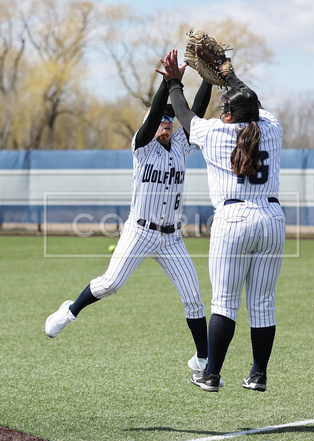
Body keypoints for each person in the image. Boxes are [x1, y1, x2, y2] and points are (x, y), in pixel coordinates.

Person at [45, 72, 214, 375]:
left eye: (170, 118)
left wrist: (208, 80)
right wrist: (168, 81)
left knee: (194, 298)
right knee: (111, 283)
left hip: (172, 238)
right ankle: (70, 311)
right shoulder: (142, 145)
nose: (167, 121)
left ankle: (203, 361)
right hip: (139, 232)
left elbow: (195, 116)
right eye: (161, 117)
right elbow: (152, 120)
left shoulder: (180, 146)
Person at [156, 49, 286, 392]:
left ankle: (211, 373)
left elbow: (183, 113)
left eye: (224, 108)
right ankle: (258, 373)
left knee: (225, 301)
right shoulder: (271, 128)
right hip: (272, 218)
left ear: (228, 115)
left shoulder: (215, 133)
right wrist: (228, 75)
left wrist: (173, 81)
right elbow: (253, 104)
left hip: (234, 218)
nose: (221, 112)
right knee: (262, 303)